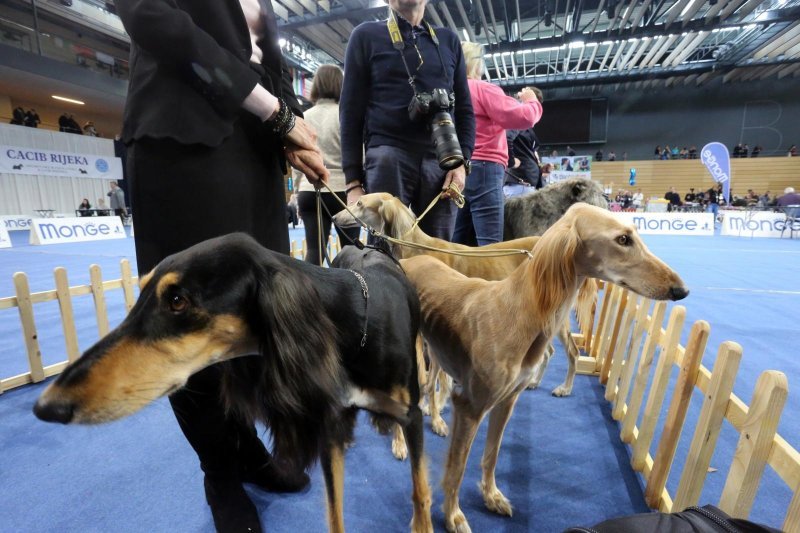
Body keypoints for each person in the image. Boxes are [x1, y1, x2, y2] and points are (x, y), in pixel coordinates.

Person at [115, 1, 329, 531]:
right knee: (189, 323)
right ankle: (219, 473)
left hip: (254, 150)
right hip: (181, 144)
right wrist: (274, 113)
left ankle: (247, 448)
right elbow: (153, 19)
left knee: (256, 318)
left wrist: (288, 124)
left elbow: (264, 56)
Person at [340, 0, 475, 241]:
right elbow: (350, 112)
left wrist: (462, 162)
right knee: (384, 253)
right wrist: (353, 183)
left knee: (440, 257)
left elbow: (464, 109)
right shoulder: (365, 35)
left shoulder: (448, 40)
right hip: (388, 156)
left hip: (442, 161)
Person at [451, 42, 541, 245]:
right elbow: (523, 117)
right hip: (485, 170)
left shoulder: (449, 91)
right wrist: (531, 100)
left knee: (456, 243)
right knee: (490, 244)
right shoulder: (483, 90)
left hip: (454, 170)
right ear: (476, 64)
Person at [294, 64, 362, 265]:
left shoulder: (303, 117)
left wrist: (298, 191)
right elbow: (360, 155)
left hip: (310, 190)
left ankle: (309, 296)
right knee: (352, 253)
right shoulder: (346, 116)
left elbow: (298, 159)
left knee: (314, 252)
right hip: (343, 192)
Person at [504, 86, 545, 198]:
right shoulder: (520, 119)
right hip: (520, 183)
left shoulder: (525, 123)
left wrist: (540, 168)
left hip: (526, 183)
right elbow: (506, 138)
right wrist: (511, 161)